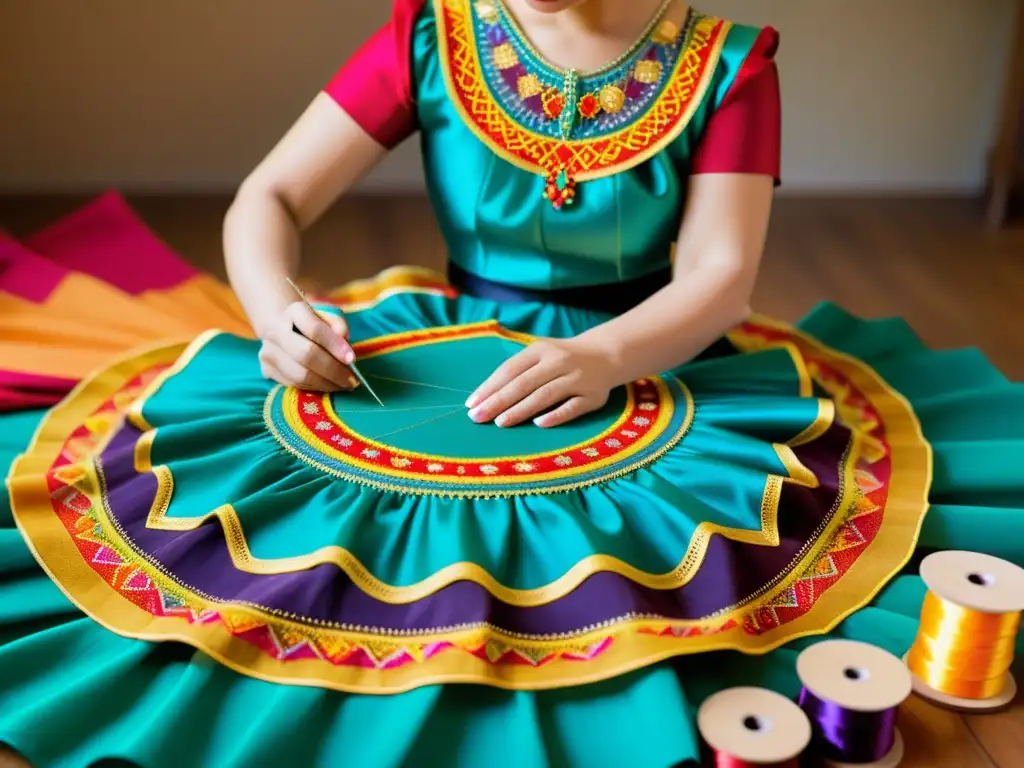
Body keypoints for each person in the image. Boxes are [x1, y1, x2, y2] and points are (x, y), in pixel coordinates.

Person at [1, 1, 1022, 766]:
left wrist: (611, 355)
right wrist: (276, 312)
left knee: (640, 587)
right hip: (440, 355)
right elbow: (271, 193)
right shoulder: (432, 32)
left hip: (650, 356)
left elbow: (717, 279)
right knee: (282, 555)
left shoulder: (726, 64)